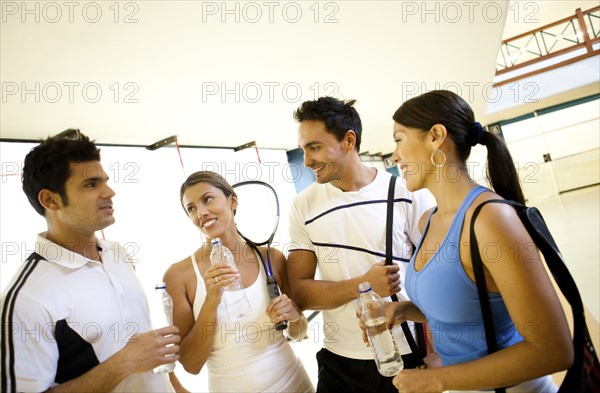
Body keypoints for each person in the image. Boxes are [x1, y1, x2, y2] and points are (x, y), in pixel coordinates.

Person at [373, 90, 573, 392]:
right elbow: (465, 308)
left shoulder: (490, 219)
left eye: (399, 139)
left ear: (436, 136)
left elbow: (554, 350)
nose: (395, 156)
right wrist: (404, 311)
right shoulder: (428, 220)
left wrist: (437, 379)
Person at [0, 132, 181, 392]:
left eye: (105, 181)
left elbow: (148, 355)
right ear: (50, 200)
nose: (110, 192)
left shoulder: (119, 255)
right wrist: (124, 362)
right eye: (90, 184)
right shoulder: (27, 297)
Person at [287, 97, 435, 393]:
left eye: (314, 147)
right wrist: (363, 285)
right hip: (339, 362)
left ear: (348, 140)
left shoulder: (407, 193)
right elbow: (299, 292)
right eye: (303, 149)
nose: (306, 161)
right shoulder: (303, 206)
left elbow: (439, 282)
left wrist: (439, 353)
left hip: (406, 354)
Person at [163, 171, 314, 393]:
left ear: (232, 201)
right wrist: (211, 302)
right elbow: (191, 365)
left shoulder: (272, 259)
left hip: (295, 385)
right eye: (191, 208)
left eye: (207, 199)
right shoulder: (179, 276)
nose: (201, 213)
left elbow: (298, 333)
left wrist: (294, 316)